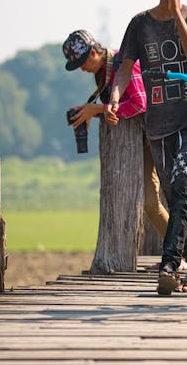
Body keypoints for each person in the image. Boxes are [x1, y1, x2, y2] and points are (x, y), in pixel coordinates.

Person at [108, 0, 187, 295]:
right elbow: (124, 69)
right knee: (175, 196)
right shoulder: (139, 24)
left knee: (183, 186)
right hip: (158, 124)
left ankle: (169, 265)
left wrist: (176, 13)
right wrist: (114, 98)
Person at [62, 30, 169, 257]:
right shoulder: (103, 72)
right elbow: (119, 109)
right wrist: (94, 114)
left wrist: (97, 109)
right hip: (142, 142)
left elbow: (140, 104)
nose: (81, 68)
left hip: (162, 137)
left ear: (93, 52)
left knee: (173, 200)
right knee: (152, 205)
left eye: (82, 62)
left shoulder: (124, 62)